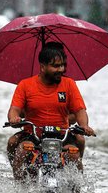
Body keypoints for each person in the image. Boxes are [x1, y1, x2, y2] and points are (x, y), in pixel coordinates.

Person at [6, 42, 96, 180]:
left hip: (62, 136)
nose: (61, 69)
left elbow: (80, 110)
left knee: (74, 154)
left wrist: (84, 125)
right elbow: (14, 109)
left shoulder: (69, 84)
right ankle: (21, 191)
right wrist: (14, 118)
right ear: (42, 67)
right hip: (33, 135)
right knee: (18, 147)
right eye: (55, 66)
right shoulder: (25, 85)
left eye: (62, 65)